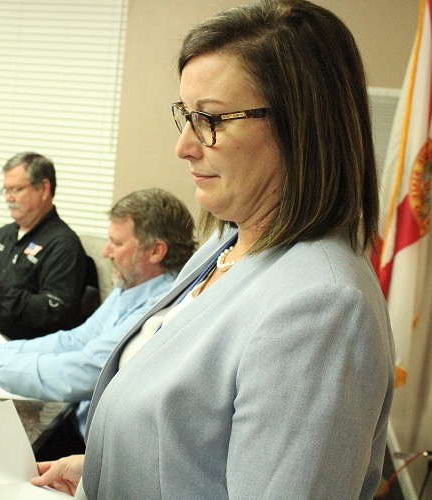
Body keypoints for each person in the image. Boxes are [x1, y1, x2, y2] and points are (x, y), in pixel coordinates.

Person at [30, 1, 396, 498]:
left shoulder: (323, 308)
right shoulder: (228, 243)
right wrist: (102, 472)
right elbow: (200, 443)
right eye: (186, 114)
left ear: (301, 126)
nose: (183, 146)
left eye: (212, 119)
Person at [0, 188, 196, 441]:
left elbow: (80, 372)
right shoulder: (131, 285)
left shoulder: (162, 310)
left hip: (89, 446)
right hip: (74, 420)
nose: (106, 252)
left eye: (117, 243)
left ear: (156, 251)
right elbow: (75, 340)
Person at [0, 152, 87, 340]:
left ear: (44, 189)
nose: (9, 198)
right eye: (6, 190)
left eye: (16, 190)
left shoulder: (64, 244)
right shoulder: (3, 234)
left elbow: (52, 313)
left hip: (19, 344)